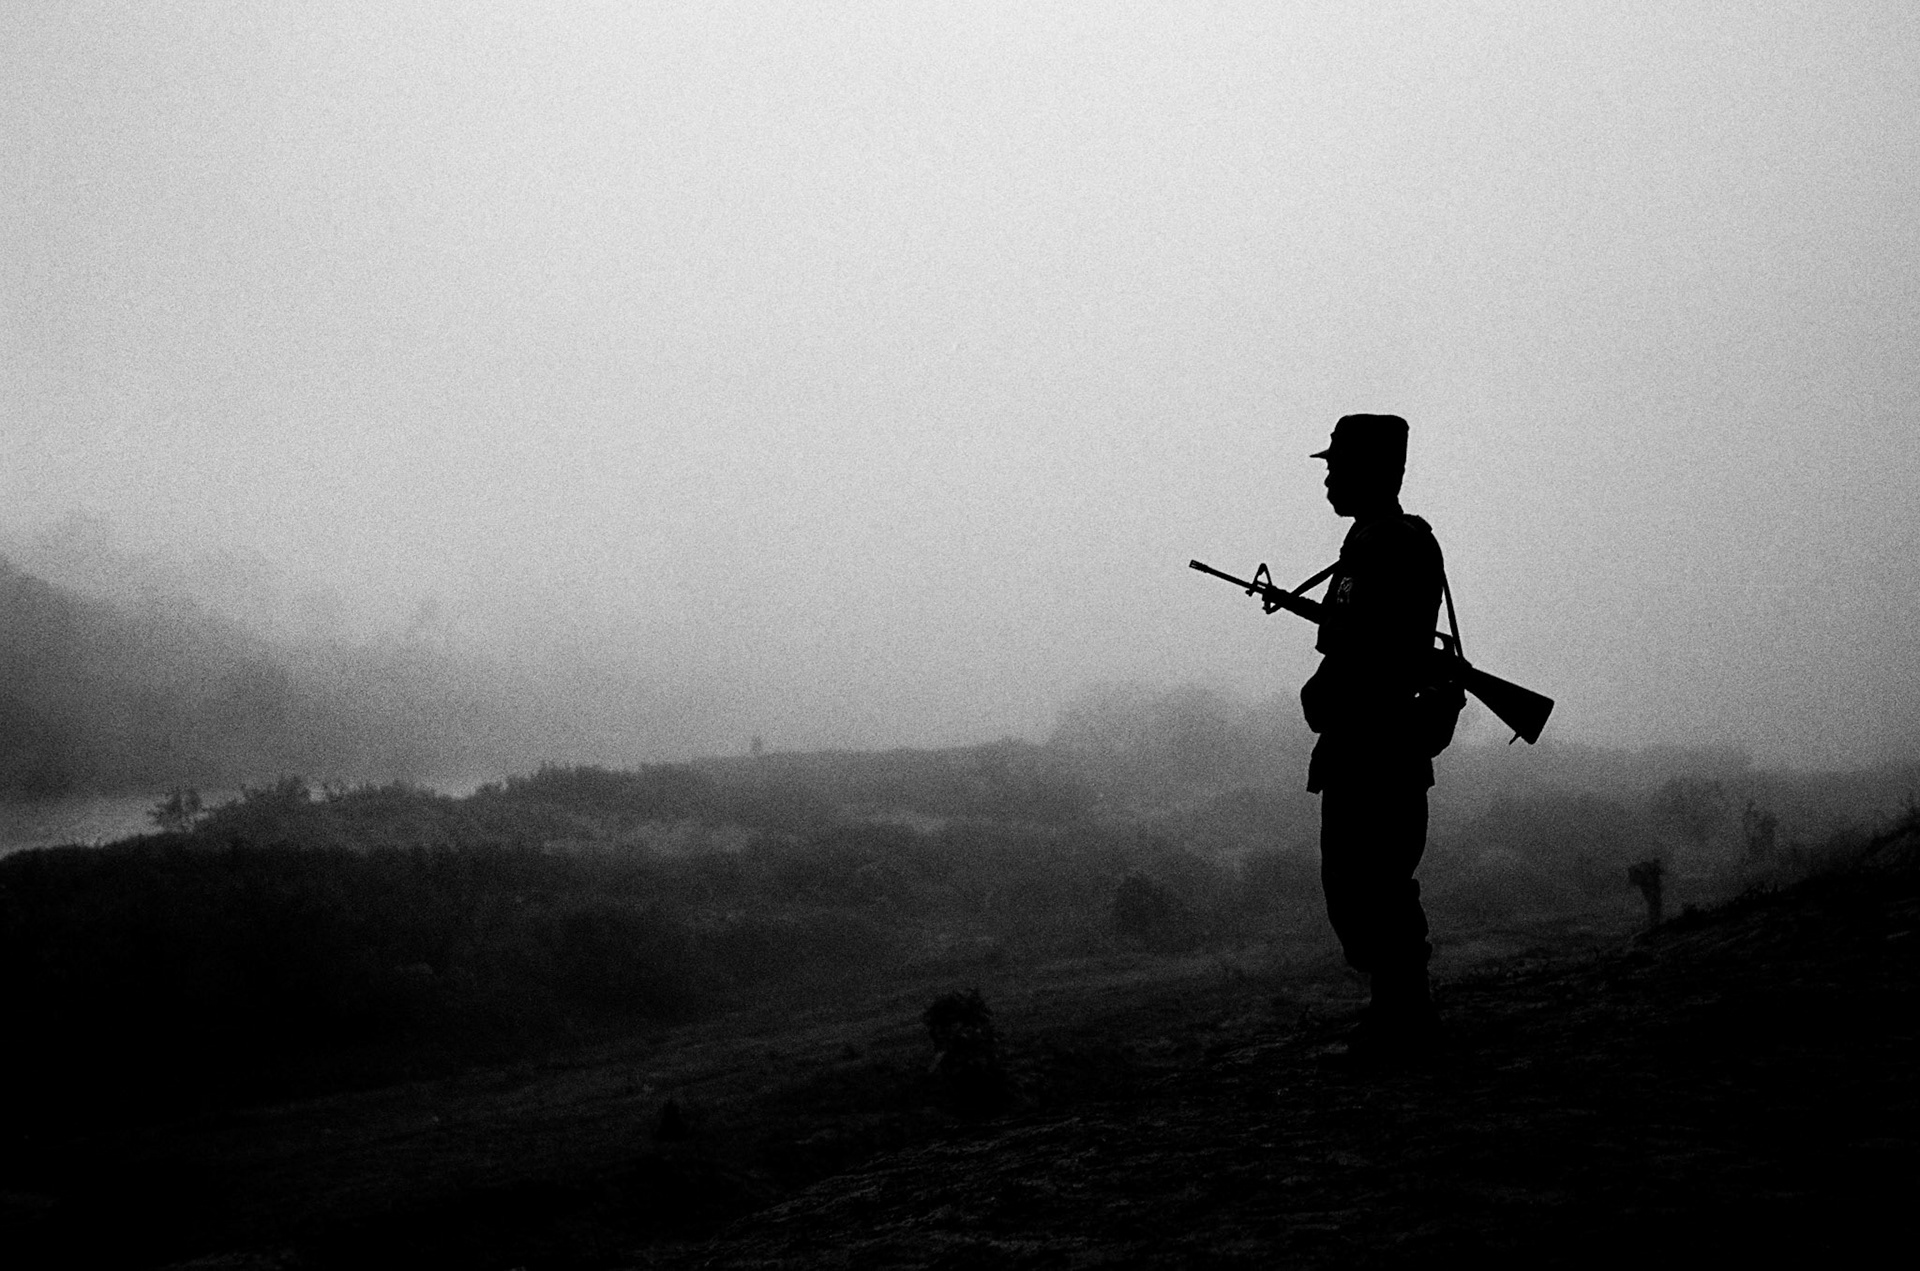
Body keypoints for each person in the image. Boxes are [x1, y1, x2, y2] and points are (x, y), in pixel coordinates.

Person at [1299, 414, 1448, 1058]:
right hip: (1390, 738)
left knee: (1367, 885)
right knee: (1377, 882)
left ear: (1373, 471)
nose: (1329, 477)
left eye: (1339, 465)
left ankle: (1403, 1015)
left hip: (1371, 741)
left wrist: (1321, 692)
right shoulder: (1402, 539)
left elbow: (1354, 641)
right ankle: (1399, 1009)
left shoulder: (1377, 545)